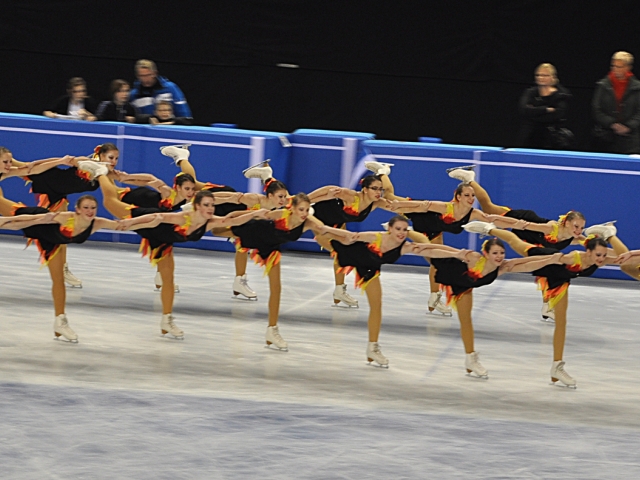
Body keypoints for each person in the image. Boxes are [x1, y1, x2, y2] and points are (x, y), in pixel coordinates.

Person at [98, 174, 268, 338]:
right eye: (207, 205)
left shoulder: (210, 221)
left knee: (169, 280)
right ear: (197, 206)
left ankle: (166, 321)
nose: (211, 209)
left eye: (212, 205)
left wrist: (254, 214)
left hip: (162, 241)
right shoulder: (184, 217)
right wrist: (131, 222)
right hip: (146, 222)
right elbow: (158, 216)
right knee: (110, 201)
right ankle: (101, 173)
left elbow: (231, 221)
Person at [463, 221, 617, 388]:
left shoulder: (601, 259)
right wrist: (517, 262)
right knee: (516, 244)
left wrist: (610, 234)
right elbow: (547, 259)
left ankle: (557, 367)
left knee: (561, 322)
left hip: (560, 280)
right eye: (598, 255)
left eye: (603, 255)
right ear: (589, 252)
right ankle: (489, 229)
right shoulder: (573, 257)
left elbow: (623, 257)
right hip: (546, 262)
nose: (601, 259)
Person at [0, 195, 162, 342]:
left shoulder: (97, 223)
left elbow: (122, 226)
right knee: (14, 223)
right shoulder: (66, 217)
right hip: (40, 223)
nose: (89, 211)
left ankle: (60, 322)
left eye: (93, 208)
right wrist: (7, 221)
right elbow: (30, 219)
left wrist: (150, 223)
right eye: (85, 207)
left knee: (58, 280)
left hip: (53, 241)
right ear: (77, 209)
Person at [313, 215, 463, 367]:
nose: (401, 233)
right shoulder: (376, 237)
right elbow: (351, 236)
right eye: (398, 229)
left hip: (368, 269)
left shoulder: (404, 247)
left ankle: (372, 348)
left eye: (404, 230)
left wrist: (456, 253)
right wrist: (326, 229)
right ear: (389, 229)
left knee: (376, 305)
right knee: (318, 234)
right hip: (345, 251)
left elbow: (430, 249)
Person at [212, 193, 352, 351]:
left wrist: (348, 236)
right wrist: (231, 216)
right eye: (301, 209)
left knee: (276, 288)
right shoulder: (281, 214)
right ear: (292, 209)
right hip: (254, 232)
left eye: (307, 210)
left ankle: (272, 330)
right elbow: (256, 215)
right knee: (216, 230)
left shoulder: (308, 222)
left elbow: (324, 229)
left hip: (271, 247)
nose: (304, 213)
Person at [446, 166, 587, 321]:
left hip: (531, 241)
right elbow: (525, 225)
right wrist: (496, 221)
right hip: (525, 222)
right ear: (567, 223)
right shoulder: (551, 228)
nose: (579, 230)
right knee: (489, 208)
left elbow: (593, 245)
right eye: (576, 226)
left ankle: (547, 305)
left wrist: (602, 236)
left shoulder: (576, 237)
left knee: (547, 268)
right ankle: (470, 179)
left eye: (581, 228)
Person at [160, 145, 290, 299]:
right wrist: (201, 201)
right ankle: (182, 157)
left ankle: (239, 281)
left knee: (242, 240)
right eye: (280, 197)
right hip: (222, 201)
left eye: (284, 197)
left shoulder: (280, 202)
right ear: (270, 195)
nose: (283, 200)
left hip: (231, 214)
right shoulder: (253, 199)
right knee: (192, 187)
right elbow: (229, 198)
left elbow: (287, 197)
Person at [388, 180, 529, 316]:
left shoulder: (473, 213)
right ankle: (382, 173)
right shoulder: (447, 207)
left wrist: (517, 224)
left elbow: (493, 219)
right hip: (419, 216)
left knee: (437, 262)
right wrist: (399, 204)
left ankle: (434, 297)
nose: (471, 198)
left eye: (473, 195)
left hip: (434, 230)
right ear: (458, 197)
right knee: (387, 198)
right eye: (467, 195)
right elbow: (423, 205)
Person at [303, 174, 396, 308]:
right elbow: (329, 189)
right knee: (343, 251)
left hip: (338, 223)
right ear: (365, 189)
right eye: (374, 188)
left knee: (342, 251)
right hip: (318, 219)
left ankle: (339, 290)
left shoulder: (375, 202)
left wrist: (421, 207)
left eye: (380, 189)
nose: (378, 192)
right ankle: (339, 290)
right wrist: (305, 201)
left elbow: (395, 204)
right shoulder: (352, 196)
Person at [592, 51, 640, 154]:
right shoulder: (603, 85)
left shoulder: (637, 88)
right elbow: (596, 109)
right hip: (606, 137)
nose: (615, 69)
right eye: (613, 66)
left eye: (619, 67)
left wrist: (628, 126)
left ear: (628, 68)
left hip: (631, 140)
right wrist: (613, 124)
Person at [517, 63, 573, 149]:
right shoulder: (530, 92)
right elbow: (524, 110)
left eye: (544, 75)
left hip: (553, 139)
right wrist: (546, 109)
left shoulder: (562, 95)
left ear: (553, 77)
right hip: (529, 137)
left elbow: (557, 115)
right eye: (538, 75)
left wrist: (534, 111)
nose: (540, 78)